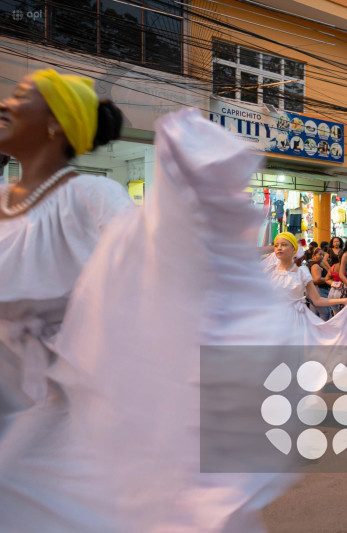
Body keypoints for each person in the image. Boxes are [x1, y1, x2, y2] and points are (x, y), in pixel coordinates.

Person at [0, 70, 294, 530]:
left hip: (63, 424)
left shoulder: (89, 196)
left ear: (57, 123)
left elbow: (152, 265)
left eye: (19, 95)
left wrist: (190, 193)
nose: (5, 103)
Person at [262, 233, 347, 364]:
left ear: (293, 249)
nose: (279, 248)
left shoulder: (302, 272)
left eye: (284, 245)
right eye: (276, 245)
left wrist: (342, 300)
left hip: (296, 322)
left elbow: (317, 299)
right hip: (274, 321)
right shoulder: (269, 272)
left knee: (293, 361)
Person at [308, 246, 332, 320]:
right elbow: (316, 280)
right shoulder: (315, 266)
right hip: (320, 291)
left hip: (313, 291)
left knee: (314, 315)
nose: (322, 256)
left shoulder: (316, 264)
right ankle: (322, 330)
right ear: (314, 256)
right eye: (320, 254)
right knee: (326, 313)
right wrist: (327, 279)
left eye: (322, 255)